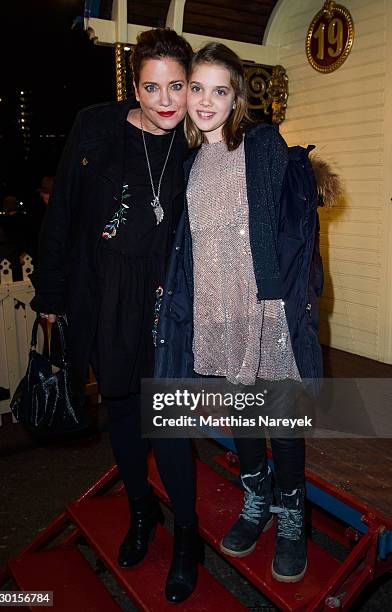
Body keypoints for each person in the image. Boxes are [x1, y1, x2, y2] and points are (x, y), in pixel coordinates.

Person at [30, 28, 202, 603]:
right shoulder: (96, 126)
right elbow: (64, 220)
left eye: (176, 84)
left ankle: (187, 537)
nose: (166, 99)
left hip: (168, 303)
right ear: (134, 85)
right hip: (105, 297)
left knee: (170, 422)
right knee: (124, 413)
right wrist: (50, 295)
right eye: (152, 86)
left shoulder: (198, 141)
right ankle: (140, 512)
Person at [154, 42, 323, 583]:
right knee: (244, 414)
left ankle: (293, 515)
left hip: (263, 306)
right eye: (196, 88)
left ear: (236, 97)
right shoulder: (187, 161)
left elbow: (293, 227)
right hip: (215, 307)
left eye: (219, 90)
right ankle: (258, 499)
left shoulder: (262, 145)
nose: (205, 101)